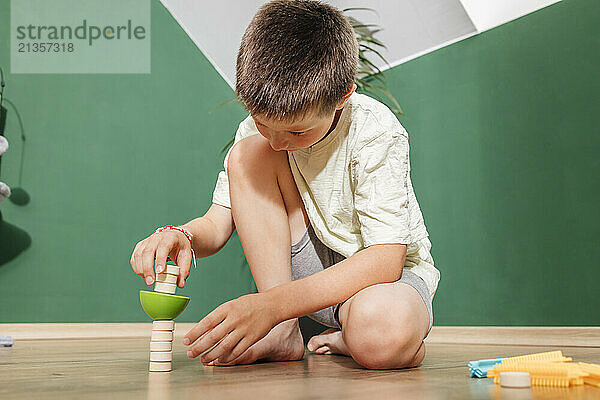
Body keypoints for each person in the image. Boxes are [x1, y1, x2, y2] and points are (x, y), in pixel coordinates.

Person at [130, 0, 439, 370]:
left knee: (380, 336)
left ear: (343, 97)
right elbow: (217, 223)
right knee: (248, 154)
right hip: (305, 279)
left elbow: (385, 261)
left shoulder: (375, 131)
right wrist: (182, 235)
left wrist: (272, 305)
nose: (277, 142)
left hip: (382, 282)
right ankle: (285, 332)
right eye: (263, 123)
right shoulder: (257, 138)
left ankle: (354, 336)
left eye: (296, 131)